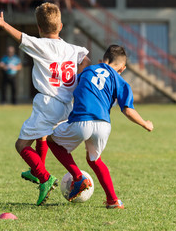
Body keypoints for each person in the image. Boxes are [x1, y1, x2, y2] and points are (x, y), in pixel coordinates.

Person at [0, 2, 90, 206]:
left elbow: (20, 36)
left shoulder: (41, 44)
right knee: (44, 135)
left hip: (48, 102)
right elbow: (86, 59)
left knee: (21, 145)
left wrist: (3, 24)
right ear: (60, 26)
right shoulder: (71, 48)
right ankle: (40, 171)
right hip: (67, 105)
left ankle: (44, 177)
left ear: (39, 28)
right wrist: (77, 78)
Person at [46, 45, 154, 209]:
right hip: (104, 124)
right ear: (122, 68)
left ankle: (77, 177)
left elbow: (71, 87)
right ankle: (113, 200)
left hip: (81, 120)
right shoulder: (120, 81)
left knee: (51, 141)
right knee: (94, 160)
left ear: (101, 61)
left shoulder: (88, 71)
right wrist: (145, 124)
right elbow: (127, 110)